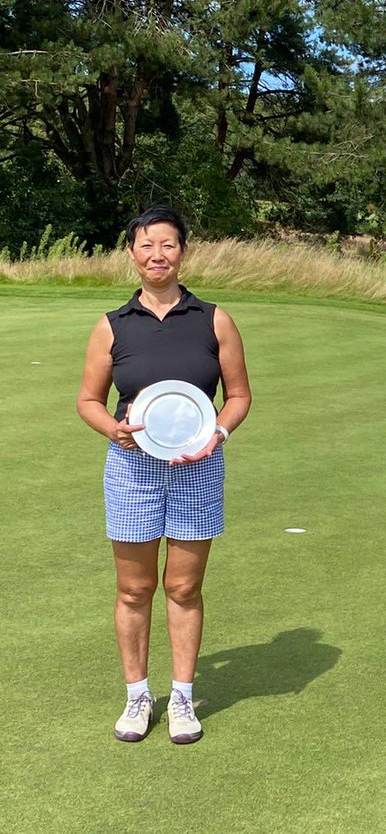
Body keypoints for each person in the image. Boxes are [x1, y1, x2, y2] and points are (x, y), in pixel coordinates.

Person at [77, 206, 251, 745]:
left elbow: (239, 397)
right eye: (147, 245)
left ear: (184, 252)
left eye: (168, 244)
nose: (158, 255)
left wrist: (216, 435)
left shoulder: (213, 318)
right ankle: (136, 697)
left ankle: (181, 697)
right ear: (132, 253)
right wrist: (114, 428)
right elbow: (88, 401)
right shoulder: (111, 326)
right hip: (131, 467)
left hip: (198, 469)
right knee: (134, 589)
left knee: (183, 585)